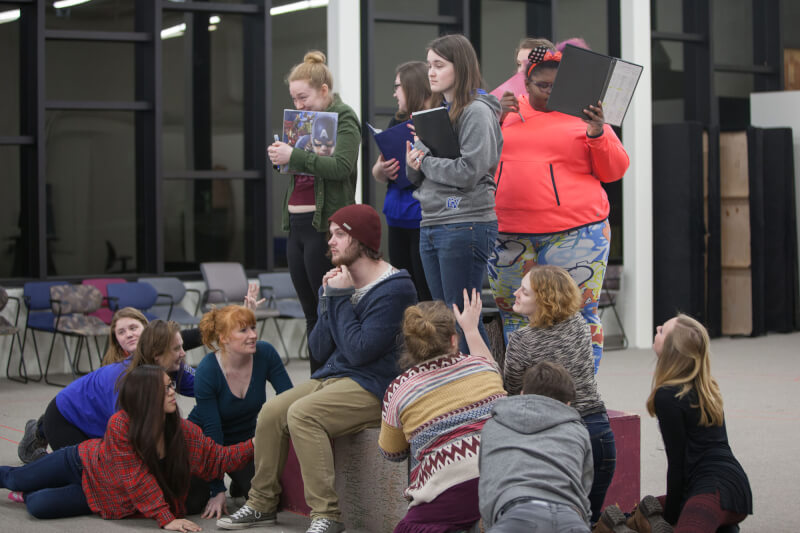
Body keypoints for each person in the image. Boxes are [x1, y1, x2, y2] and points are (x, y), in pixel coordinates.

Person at [216, 204, 417, 533]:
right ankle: (261, 503)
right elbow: (320, 349)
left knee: (303, 414)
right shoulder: (338, 283)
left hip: (375, 386)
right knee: (272, 412)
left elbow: (360, 351)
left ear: (361, 240)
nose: (330, 242)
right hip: (337, 376)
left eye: (339, 234)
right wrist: (327, 299)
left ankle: (326, 515)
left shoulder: (395, 288)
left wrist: (339, 298)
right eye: (331, 235)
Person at [488, 39, 629, 371]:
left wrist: (598, 133)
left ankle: (580, 391)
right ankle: (524, 391)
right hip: (509, 235)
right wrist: (493, 121)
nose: (550, 91)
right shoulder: (502, 112)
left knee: (578, 313)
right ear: (525, 83)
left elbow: (615, 170)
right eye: (543, 85)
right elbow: (474, 163)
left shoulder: (585, 113)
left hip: (576, 234)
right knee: (514, 315)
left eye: (557, 85)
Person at [19, 285, 262, 463]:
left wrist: (240, 321)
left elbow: (204, 374)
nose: (129, 335)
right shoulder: (123, 375)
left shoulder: (173, 362)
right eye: (121, 332)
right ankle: (39, 433)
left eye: (133, 328)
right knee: (85, 472)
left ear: (149, 330)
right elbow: (123, 432)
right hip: (65, 417)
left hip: (93, 418)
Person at [1, 365, 253, 531]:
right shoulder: (121, 424)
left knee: (38, 505)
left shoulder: (181, 430)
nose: (172, 392)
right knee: (15, 479)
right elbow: (136, 478)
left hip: (104, 493)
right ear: (145, 395)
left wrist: (254, 443)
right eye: (165, 388)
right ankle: (34, 477)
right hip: (80, 462)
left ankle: (34, 490)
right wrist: (166, 519)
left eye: (172, 385)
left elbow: (217, 459)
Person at [600, 314, 753, 533]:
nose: (657, 328)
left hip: (712, 488)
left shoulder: (668, 396)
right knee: (647, 510)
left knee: (679, 518)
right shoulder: (705, 386)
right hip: (734, 484)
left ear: (672, 350)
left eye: (662, 331)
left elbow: (677, 464)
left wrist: (671, 518)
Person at [405, 34, 502, 353]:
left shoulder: (477, 112)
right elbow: (416, 176)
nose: (431, 72)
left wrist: (425, 162)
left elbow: (469, 171)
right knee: (446, 320)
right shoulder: (436, 112)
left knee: (463, 319)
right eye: (429, 65)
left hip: (465, 221)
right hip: (432, 221)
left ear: (459, 67)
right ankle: (460, 381)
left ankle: (483, 382)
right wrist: (414, 163)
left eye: (439, 65)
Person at [267, 50, 361, 374]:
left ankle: (335, 377)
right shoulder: (303, 121)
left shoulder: (343, 116)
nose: (299, 105)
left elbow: (341, 167)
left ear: (324, 90)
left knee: (328, 307)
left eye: (303, 97)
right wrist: (282, 159)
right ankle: (317, 378)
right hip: (297, 222)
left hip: (324, 224)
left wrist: (294, 156)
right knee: (310, 310)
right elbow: (302, 169)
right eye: (294, 99)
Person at [379, 295, 506, 532]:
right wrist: (471, 328)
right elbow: (492, 367)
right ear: (453, 340)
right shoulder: (483, 368)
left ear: (409, 347)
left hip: (450, 496)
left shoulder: (399, 389)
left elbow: (391, 452)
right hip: (503, 484)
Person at [500, 265, 615, 523]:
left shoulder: (522, 341)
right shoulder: (579, 324)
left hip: (558, 440)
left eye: (524, 292)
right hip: (598, 432)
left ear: (544, 300)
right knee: (587, 522)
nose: (516, 293)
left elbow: (513, 394)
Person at [18, 319, 194, 462]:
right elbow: (124, 438)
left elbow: (205, 386)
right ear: (157, 355)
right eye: (177, 348)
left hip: (92, 413)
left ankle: (42, 429)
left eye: (182, 347)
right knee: (90, 476)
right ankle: (39, 438)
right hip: (65, 418)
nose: (183, 353)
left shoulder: (174, 365)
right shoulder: (126, 382)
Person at [185, 305, 294, 519]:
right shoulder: (207, 370)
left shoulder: (265, 353)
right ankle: (220, 481)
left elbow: (288, 399)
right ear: (224, 338)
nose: (253, 335)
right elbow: (212, 432)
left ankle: (238, 479)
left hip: (244, 441)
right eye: (243, 330)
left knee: (274, 501)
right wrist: (217, 490)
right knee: (192, 504)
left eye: (253, 327)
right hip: (205, 444)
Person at [479, 361, 593, 533]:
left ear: (522, 393)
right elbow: (583, 487)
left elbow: (487, 482)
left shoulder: (493, 426)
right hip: (569, 516)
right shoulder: (578, 431)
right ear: (568, 404)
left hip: (514, 513)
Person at [372, 61, 433, 302]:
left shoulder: (435, 122)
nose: (394, 93)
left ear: (412, 87)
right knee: (404, 291)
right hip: (396, 215)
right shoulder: (396, 122)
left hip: (422, 215)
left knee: (425, 291)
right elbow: (378, 172)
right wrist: (382, 169)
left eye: (398, 86)